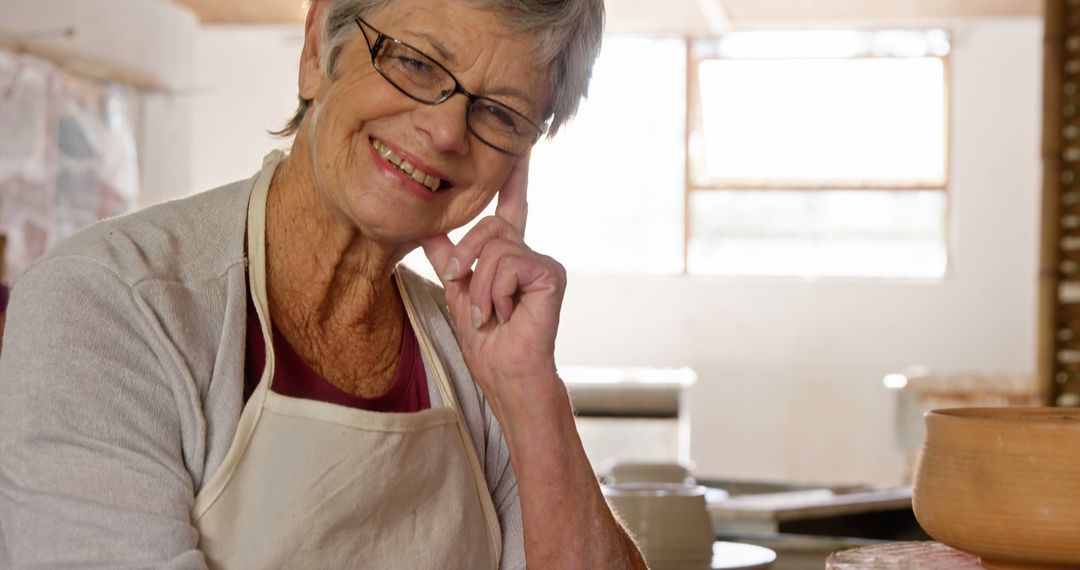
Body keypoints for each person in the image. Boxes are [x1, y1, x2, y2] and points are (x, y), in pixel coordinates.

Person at [0, 0, 648, 567]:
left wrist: (531, 394)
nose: (447, 131)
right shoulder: (110, 304)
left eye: (500, 113)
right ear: (317, 49)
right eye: (417, 62)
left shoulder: (479, 358)